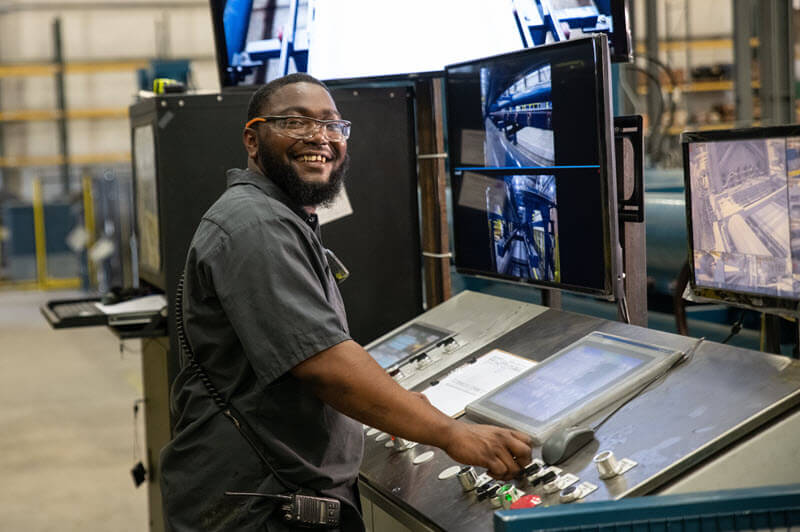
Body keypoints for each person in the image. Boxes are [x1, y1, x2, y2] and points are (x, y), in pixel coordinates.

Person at [159, 73, 533, 531]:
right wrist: (449, 432)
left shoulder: (281, 217)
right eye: (295, 123)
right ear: (252, 140)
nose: (320, 137)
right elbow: (324, 363)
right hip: (256, 507)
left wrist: (396, 406)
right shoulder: (255, 225)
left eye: (333, 125)